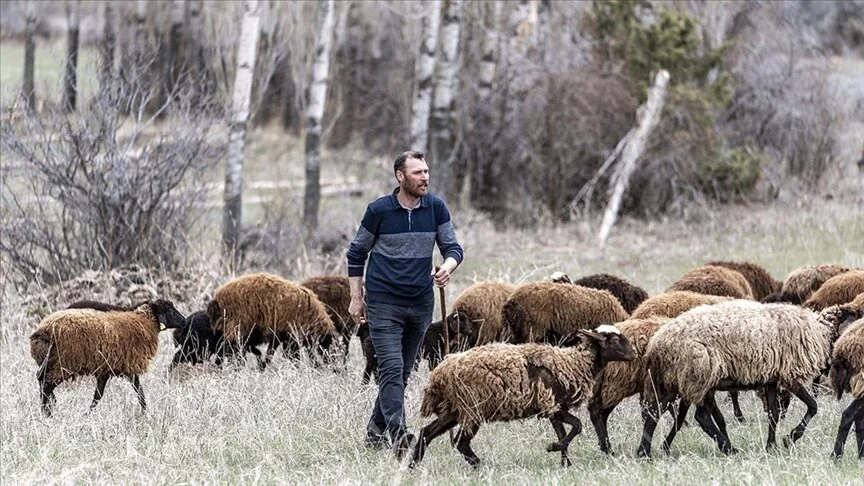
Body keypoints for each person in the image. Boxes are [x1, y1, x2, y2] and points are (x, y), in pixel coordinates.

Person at [346, 150, 464, 455]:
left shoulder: (436, 207)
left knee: (401, 372)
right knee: (391, 365)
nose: (425, 177)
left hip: (421, 303)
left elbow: (453, 248)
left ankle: (374, 433)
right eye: (417, 173)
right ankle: (400, 436)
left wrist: (447, 268)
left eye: (426, 171)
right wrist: (356, 298)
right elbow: (356, 253)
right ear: (400, 177)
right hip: (384, 301)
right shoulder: (379, 210)